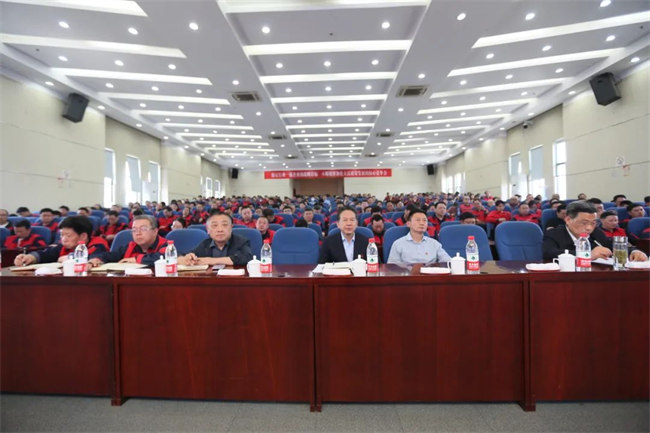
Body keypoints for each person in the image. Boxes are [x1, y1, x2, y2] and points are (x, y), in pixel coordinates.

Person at [542, 201, 647, 262]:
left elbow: (611, 244)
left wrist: (634, 251)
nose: (589, 228)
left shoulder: (595, 232)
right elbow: (548, 253)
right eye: (584, 223)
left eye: (593, 223)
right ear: (568, 220)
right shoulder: (554, 234)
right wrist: (587, 255)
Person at [14, 216, 108, 266]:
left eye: (68, 235)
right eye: (61, 235)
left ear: (83, 236)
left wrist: (70, 258)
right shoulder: (64, 246)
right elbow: (46, 254)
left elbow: (95, 257)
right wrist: (30, 257)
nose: (63, 239)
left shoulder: (97, 244)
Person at [178, 212, 253, 266]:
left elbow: (247, 258)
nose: (220, 230)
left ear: (231, 228)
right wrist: (187, 258)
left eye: (224, 225)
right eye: (214, 225)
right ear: (208, 230)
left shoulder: (241, 241)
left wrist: (210, 260)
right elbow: (180, 257)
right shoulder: (205, 244)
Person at [91, 215, 168, 266]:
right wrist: (97, 259)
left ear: (155, 231)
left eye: (143, 229)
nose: (138, 233)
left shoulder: (166, 245)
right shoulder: (130, 246)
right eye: (134, 230)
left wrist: (135, 259)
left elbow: (165, 257)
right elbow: (110, 255)